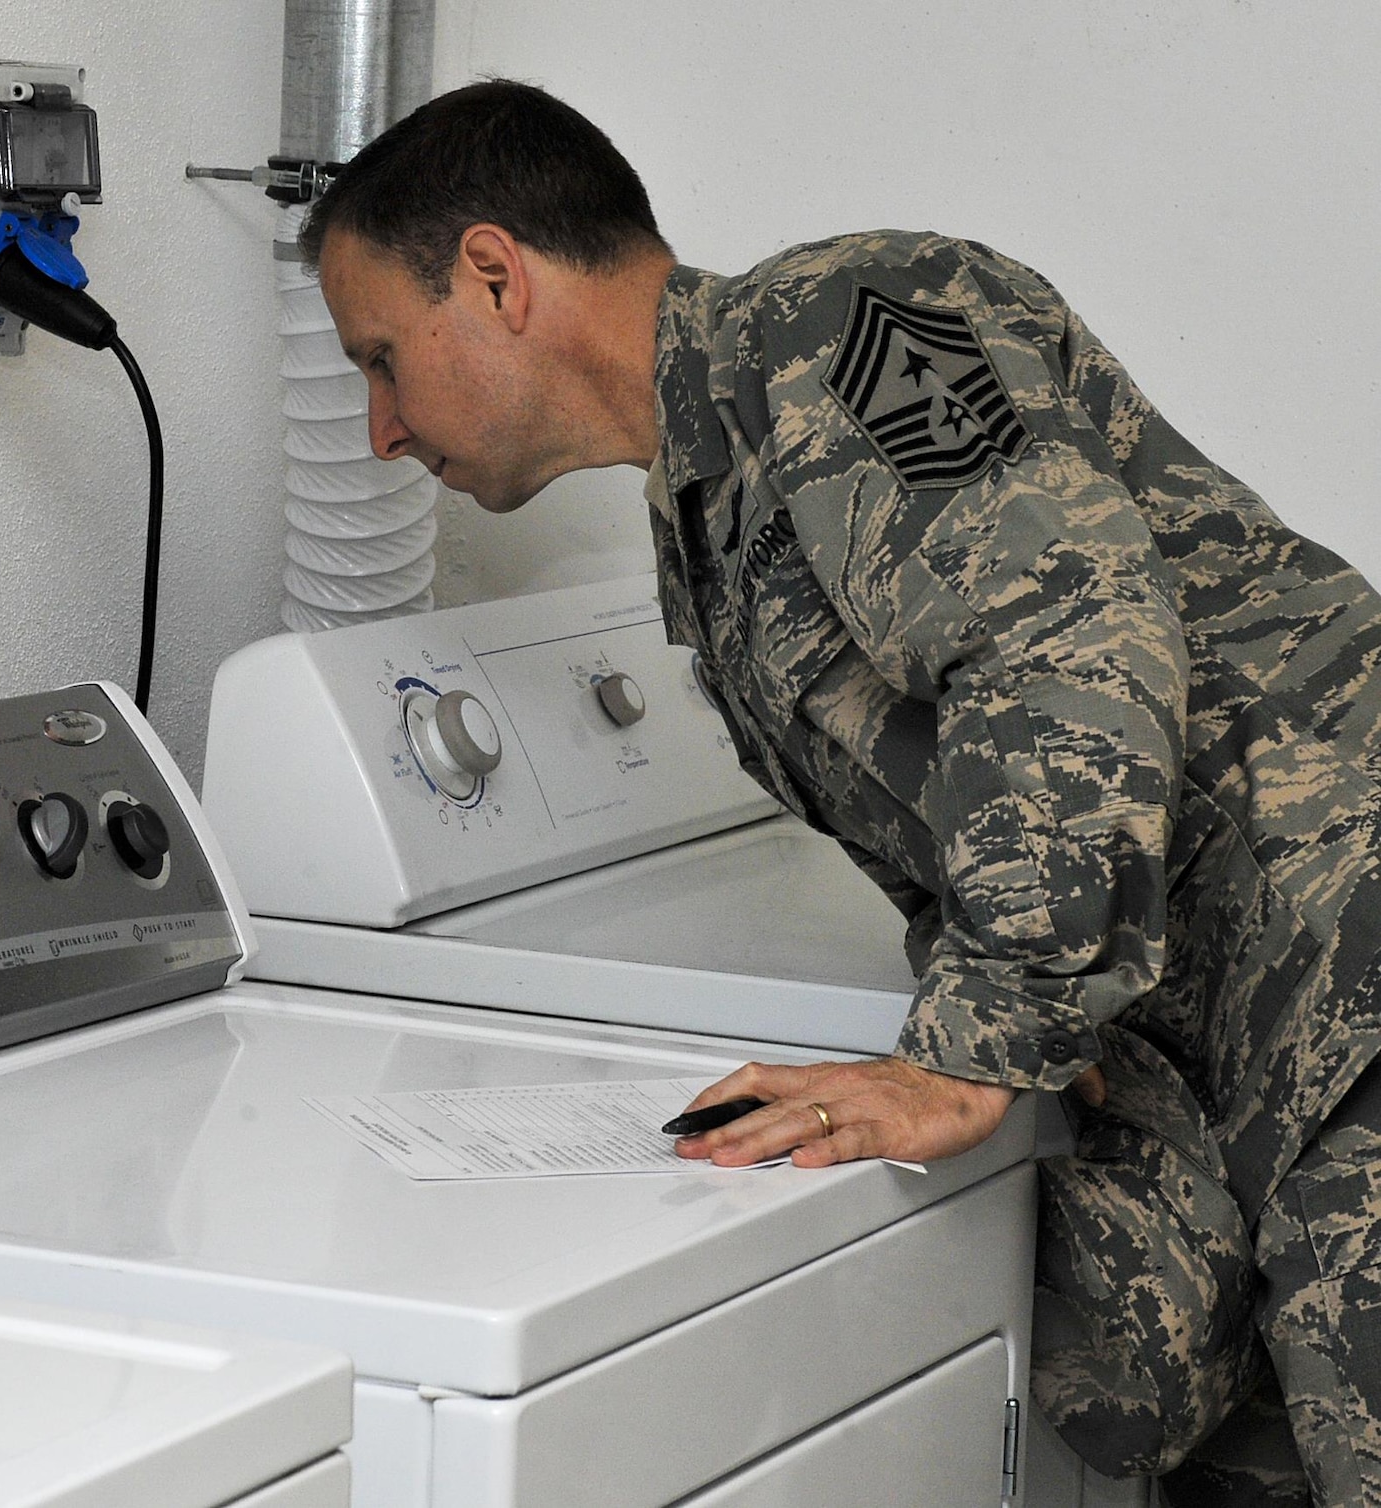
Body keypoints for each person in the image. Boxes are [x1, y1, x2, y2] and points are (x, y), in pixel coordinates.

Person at [300, 79, 1381, 1506]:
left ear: (496, 276)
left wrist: (975, 1043)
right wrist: (1023, 1025)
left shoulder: (834, 329)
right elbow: (970, 818)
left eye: (382, 358)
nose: (380, 427)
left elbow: (1063, 634)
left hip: (1340, 970)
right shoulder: (713, 521)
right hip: (1246, 1043)